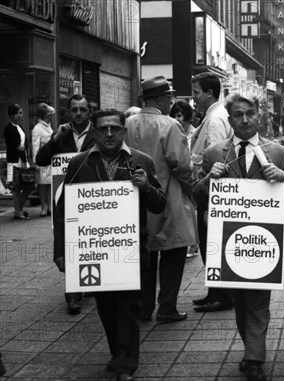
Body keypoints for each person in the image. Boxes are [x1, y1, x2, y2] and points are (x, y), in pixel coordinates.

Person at [193, 94, 284, 381]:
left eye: (250, 114)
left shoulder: (278, 152)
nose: (244, 120)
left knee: (257, 299)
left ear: (259, 116)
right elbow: (197, 195)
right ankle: (250, 349)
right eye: (238, 115)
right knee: (240, 301)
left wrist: (283, 177)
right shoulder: (215, 153)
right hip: (229, 242)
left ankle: (255, 358)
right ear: (230, 120)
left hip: (263, 241)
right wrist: (209, 179)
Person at [55, 109, 165, 381]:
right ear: (94, 132)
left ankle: (126, 365)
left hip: (131, 250)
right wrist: (61, 251)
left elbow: (160, 203)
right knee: (105, 307)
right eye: (103, 129)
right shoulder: (79, 164)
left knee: (129, 307)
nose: (109, 134)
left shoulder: (141, 161)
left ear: (124, 132)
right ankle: (119, 354)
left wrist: (146, 188)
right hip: (95, 253)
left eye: (115, 128)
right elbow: (62, 209)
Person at [125, 76, 197, 323]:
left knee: (144, 256)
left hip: (136, 198)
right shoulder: (169, 125)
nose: (171, 101)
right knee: (173, 253)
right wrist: (191, 189)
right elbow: (183, 165)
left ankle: (144, 308)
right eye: (169, 97)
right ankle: (166, 307)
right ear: (160, 98)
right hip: (169, 197)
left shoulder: (128, 123)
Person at [36, 94, 95, 315]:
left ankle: (90, 283)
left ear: (89, 112)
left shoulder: (98, 133)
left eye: (83, 109)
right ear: (68, 112)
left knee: (90, 242)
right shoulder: (61, 134)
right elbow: (41, 160)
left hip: (93, 199)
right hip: (66, 198)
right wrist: (54, 140)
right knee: (69, 243)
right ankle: (72, 295)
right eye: (74, 110)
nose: (78, 114)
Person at [188, 73, 234, 313]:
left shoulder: (216, 119)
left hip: (210, 190)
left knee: (211, 242)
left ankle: (221, 295)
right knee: (209, 242)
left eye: (196, 92)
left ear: (209, 93)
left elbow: (217, 158)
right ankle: (214, 291)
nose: (194, 98)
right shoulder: (213, 115)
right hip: (206, 188)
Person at [170, 100, 199, 258]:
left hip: (192, 176)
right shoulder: (170, 131)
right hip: (177, 177)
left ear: (187, 117)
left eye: (179, 115)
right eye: (174, 115)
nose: (176, 118)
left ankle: (193, 243)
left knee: (192, 210)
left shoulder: (195, 134)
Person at [4, 104, 34, 220]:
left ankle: (18, 209)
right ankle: (18, 211)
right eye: (18, 113)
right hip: (14, 161)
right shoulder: (9, 129)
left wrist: (24, 147)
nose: (20, 115)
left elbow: (26, 142)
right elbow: (15, 145)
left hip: (23, 159)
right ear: (12, 115)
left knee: (29, 185)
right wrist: (22, 147)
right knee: (16, 187)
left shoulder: (20, 127)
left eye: (21, 113)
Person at [32, 103, 55, 217]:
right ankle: (43, 208)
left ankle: (50, 207)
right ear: (45, 116)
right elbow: (35, 146)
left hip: (50, 159)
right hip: (42, 160)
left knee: (50, 184)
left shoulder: (49, 127)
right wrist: (36, 162)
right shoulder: (37, 129)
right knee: (42, 185)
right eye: (50, 115)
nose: (51, 117)